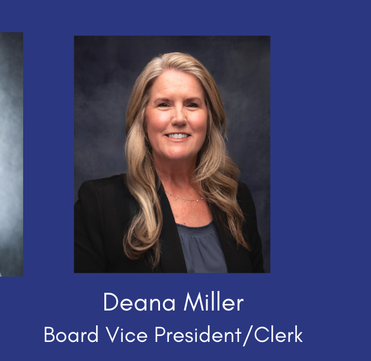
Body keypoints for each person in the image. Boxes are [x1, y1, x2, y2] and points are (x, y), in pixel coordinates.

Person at [75, 52, 263, 273]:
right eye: (164, 104)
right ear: (143, 118)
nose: (179, 118)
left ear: (209, 118)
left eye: (192, 104)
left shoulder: (237, 200)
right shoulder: (99, 204)